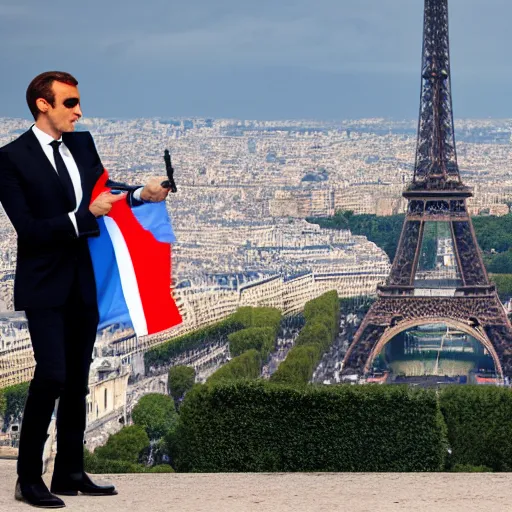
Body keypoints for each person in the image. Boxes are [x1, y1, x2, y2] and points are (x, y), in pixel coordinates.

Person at [0, 71, 171, 508]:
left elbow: (104, 193)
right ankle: (27, 478)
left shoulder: (81, 144)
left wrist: (140, 195)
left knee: (76, 380)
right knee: (51, 374)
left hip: (81, 279)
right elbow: (30, 230)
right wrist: (84, 217)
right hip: (43, 283)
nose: (79, 110)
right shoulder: (11, 159)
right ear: (43, 104)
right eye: (70, 102)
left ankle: (69, 472)